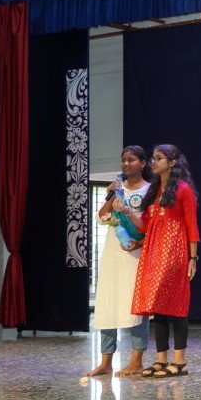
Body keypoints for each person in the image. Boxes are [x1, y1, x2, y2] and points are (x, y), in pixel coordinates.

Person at [125, 144, 199, 378]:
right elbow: (145, 225)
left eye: (158, 158)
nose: (153, 162)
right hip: (154, 251)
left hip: (175, 251)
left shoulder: (183, 189)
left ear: (172, 162)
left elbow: (192, 226)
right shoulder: (155, 190)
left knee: (176, 305)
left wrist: (193, 258)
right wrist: (126, 212)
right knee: (158, 306)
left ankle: (180, 361)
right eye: (153, 158)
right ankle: (161, 359)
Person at [85, 146, 152, 377]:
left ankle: (136, 360)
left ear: (143, 163)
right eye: (123, 160)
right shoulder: (118, 189)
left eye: (131, 160)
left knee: (136, 306)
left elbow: (152, 225)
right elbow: (102, 217)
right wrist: (113, 194)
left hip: (136, 253)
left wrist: (139, 243)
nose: (126, 164)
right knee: (108, 301)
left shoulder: (150, 190)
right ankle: (106, 361)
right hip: (113, 251)